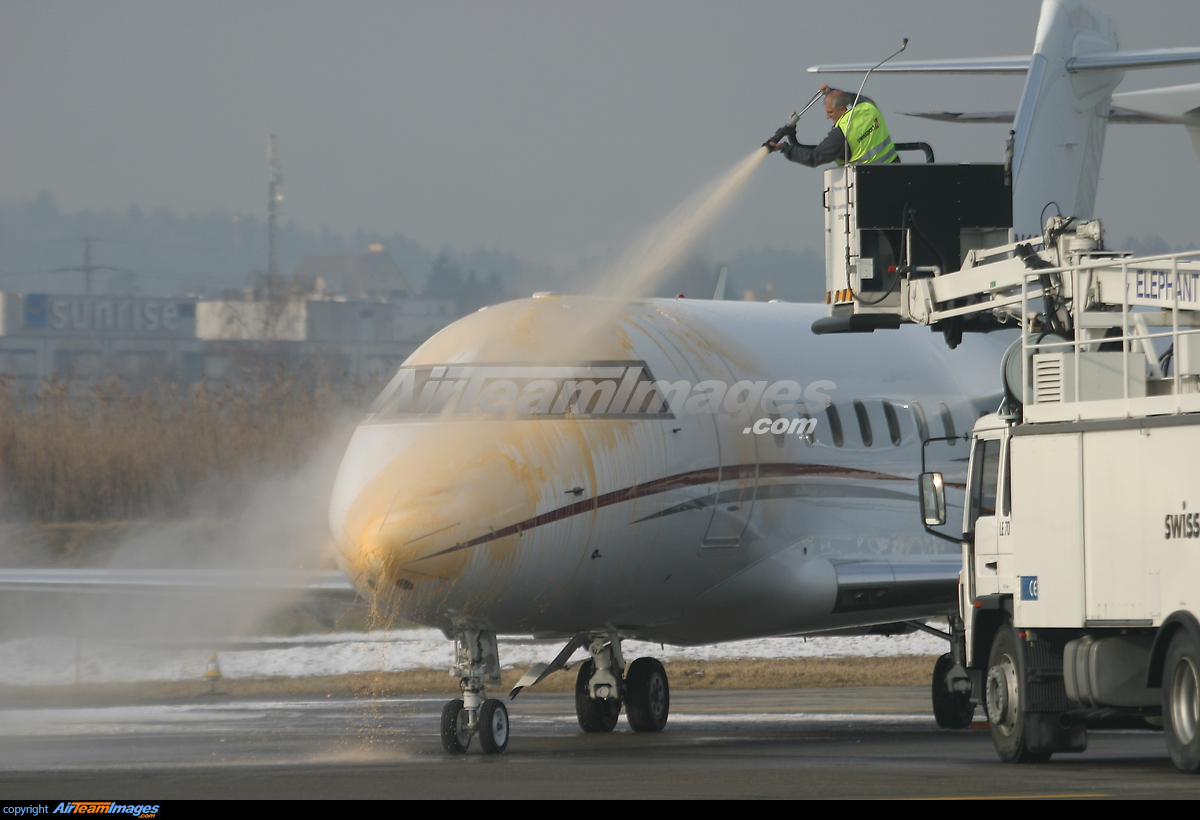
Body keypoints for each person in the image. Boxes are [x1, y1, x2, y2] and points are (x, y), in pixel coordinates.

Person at [767, 84, 898, 167]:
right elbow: (851, 97)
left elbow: (814, 158)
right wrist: (831, 91)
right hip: (895, 168)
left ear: (842, 109)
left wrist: (783, 148)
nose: (827, 117)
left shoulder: (841, 133)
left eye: (830, 112)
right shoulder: (868, 106)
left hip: (869, 182)